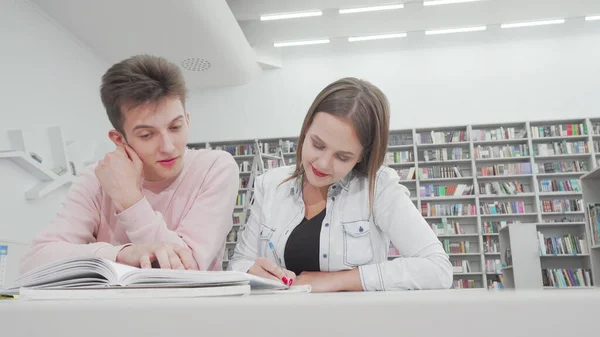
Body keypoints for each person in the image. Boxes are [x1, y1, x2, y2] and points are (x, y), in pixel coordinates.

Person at [229, 77, 453, 292]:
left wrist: (338, 280)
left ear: (361, 157)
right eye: (317, 145)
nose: (323, 163)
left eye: (343, 157)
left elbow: (438, 268)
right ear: (305, 129)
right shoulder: (269, 185)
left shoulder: (378, 188)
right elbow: (239, 264)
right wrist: (251, 271)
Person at [20, 55, 239, 273]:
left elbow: (187, 269)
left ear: (187, 120)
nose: (168, 147)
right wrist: (120, 254)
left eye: (175, 127)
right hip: (111, 307)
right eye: (146, 135)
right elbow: (34, 261)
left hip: (192, 307)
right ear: (119, 139)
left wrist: (130, 199)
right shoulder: (96, 179)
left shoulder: (216, 168)